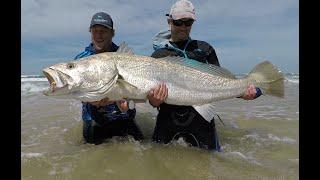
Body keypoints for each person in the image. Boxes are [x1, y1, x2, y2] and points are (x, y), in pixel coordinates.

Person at [147, 0, 261, 151]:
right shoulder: (158, 55)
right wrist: (154, 101)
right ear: (169, 21)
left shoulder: (205, 49)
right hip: (167, 121)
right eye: (178, 22)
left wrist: (248, 92)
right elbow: (151, 97)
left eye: (188, 22)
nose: (183, 27)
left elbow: (222, 84)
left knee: (208, 169)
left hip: (202, 121)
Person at [74, 12, 144, 144]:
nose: (99, 35)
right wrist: (91, 101)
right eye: (95, 31)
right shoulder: (81, 60)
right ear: (90, 32)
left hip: (124, 117)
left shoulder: (127, 57)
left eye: (103, 31)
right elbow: (77, 90)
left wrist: (129, 103)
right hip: (94, 120)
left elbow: (138, 89)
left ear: (112, 33)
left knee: (145, 150)